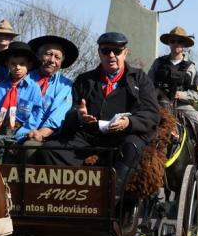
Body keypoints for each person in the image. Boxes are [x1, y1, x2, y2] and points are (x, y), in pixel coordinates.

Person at [35, 32, 160, 200]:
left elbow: (151, 113)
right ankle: (68, 197)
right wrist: (79, 116)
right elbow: (70, 113)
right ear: (99, 53)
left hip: (124, 136)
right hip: (89, 136)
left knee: (131, 148)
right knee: (50, 150)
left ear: (125, 52)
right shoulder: (84, 80)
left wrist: (128, 122)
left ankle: (111, 202)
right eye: (106, 51)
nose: (111, 55)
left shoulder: (139, 79)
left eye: (117, 51)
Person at [0, 26, 77, 145]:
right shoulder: (18, 73)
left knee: (30, 147)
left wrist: (39, 134)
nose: (52, 60)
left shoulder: (65, 85)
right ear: (38, 55)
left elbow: (57, 117)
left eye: (57, 57)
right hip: (3, 131)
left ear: (62, 62)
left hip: (39, 136)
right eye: (48, 54)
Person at [148, 26, 198, 181]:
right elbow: (147, 84)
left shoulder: (190, 67)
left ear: (184, 45)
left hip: (182, 105)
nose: (176, 44)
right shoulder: (158, 63)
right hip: (159, 104)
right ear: (169, 43)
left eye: (179, 41)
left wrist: (180, 94)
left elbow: (196, 94)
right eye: (173, 41)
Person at [0, 41, 43, 151]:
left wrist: (21, 134)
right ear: (7, 64)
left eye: (22, 63)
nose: (17, 67)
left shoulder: (34, 88)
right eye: (13, 63)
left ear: (29, 65)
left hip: (22, 133)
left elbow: (37, 113)